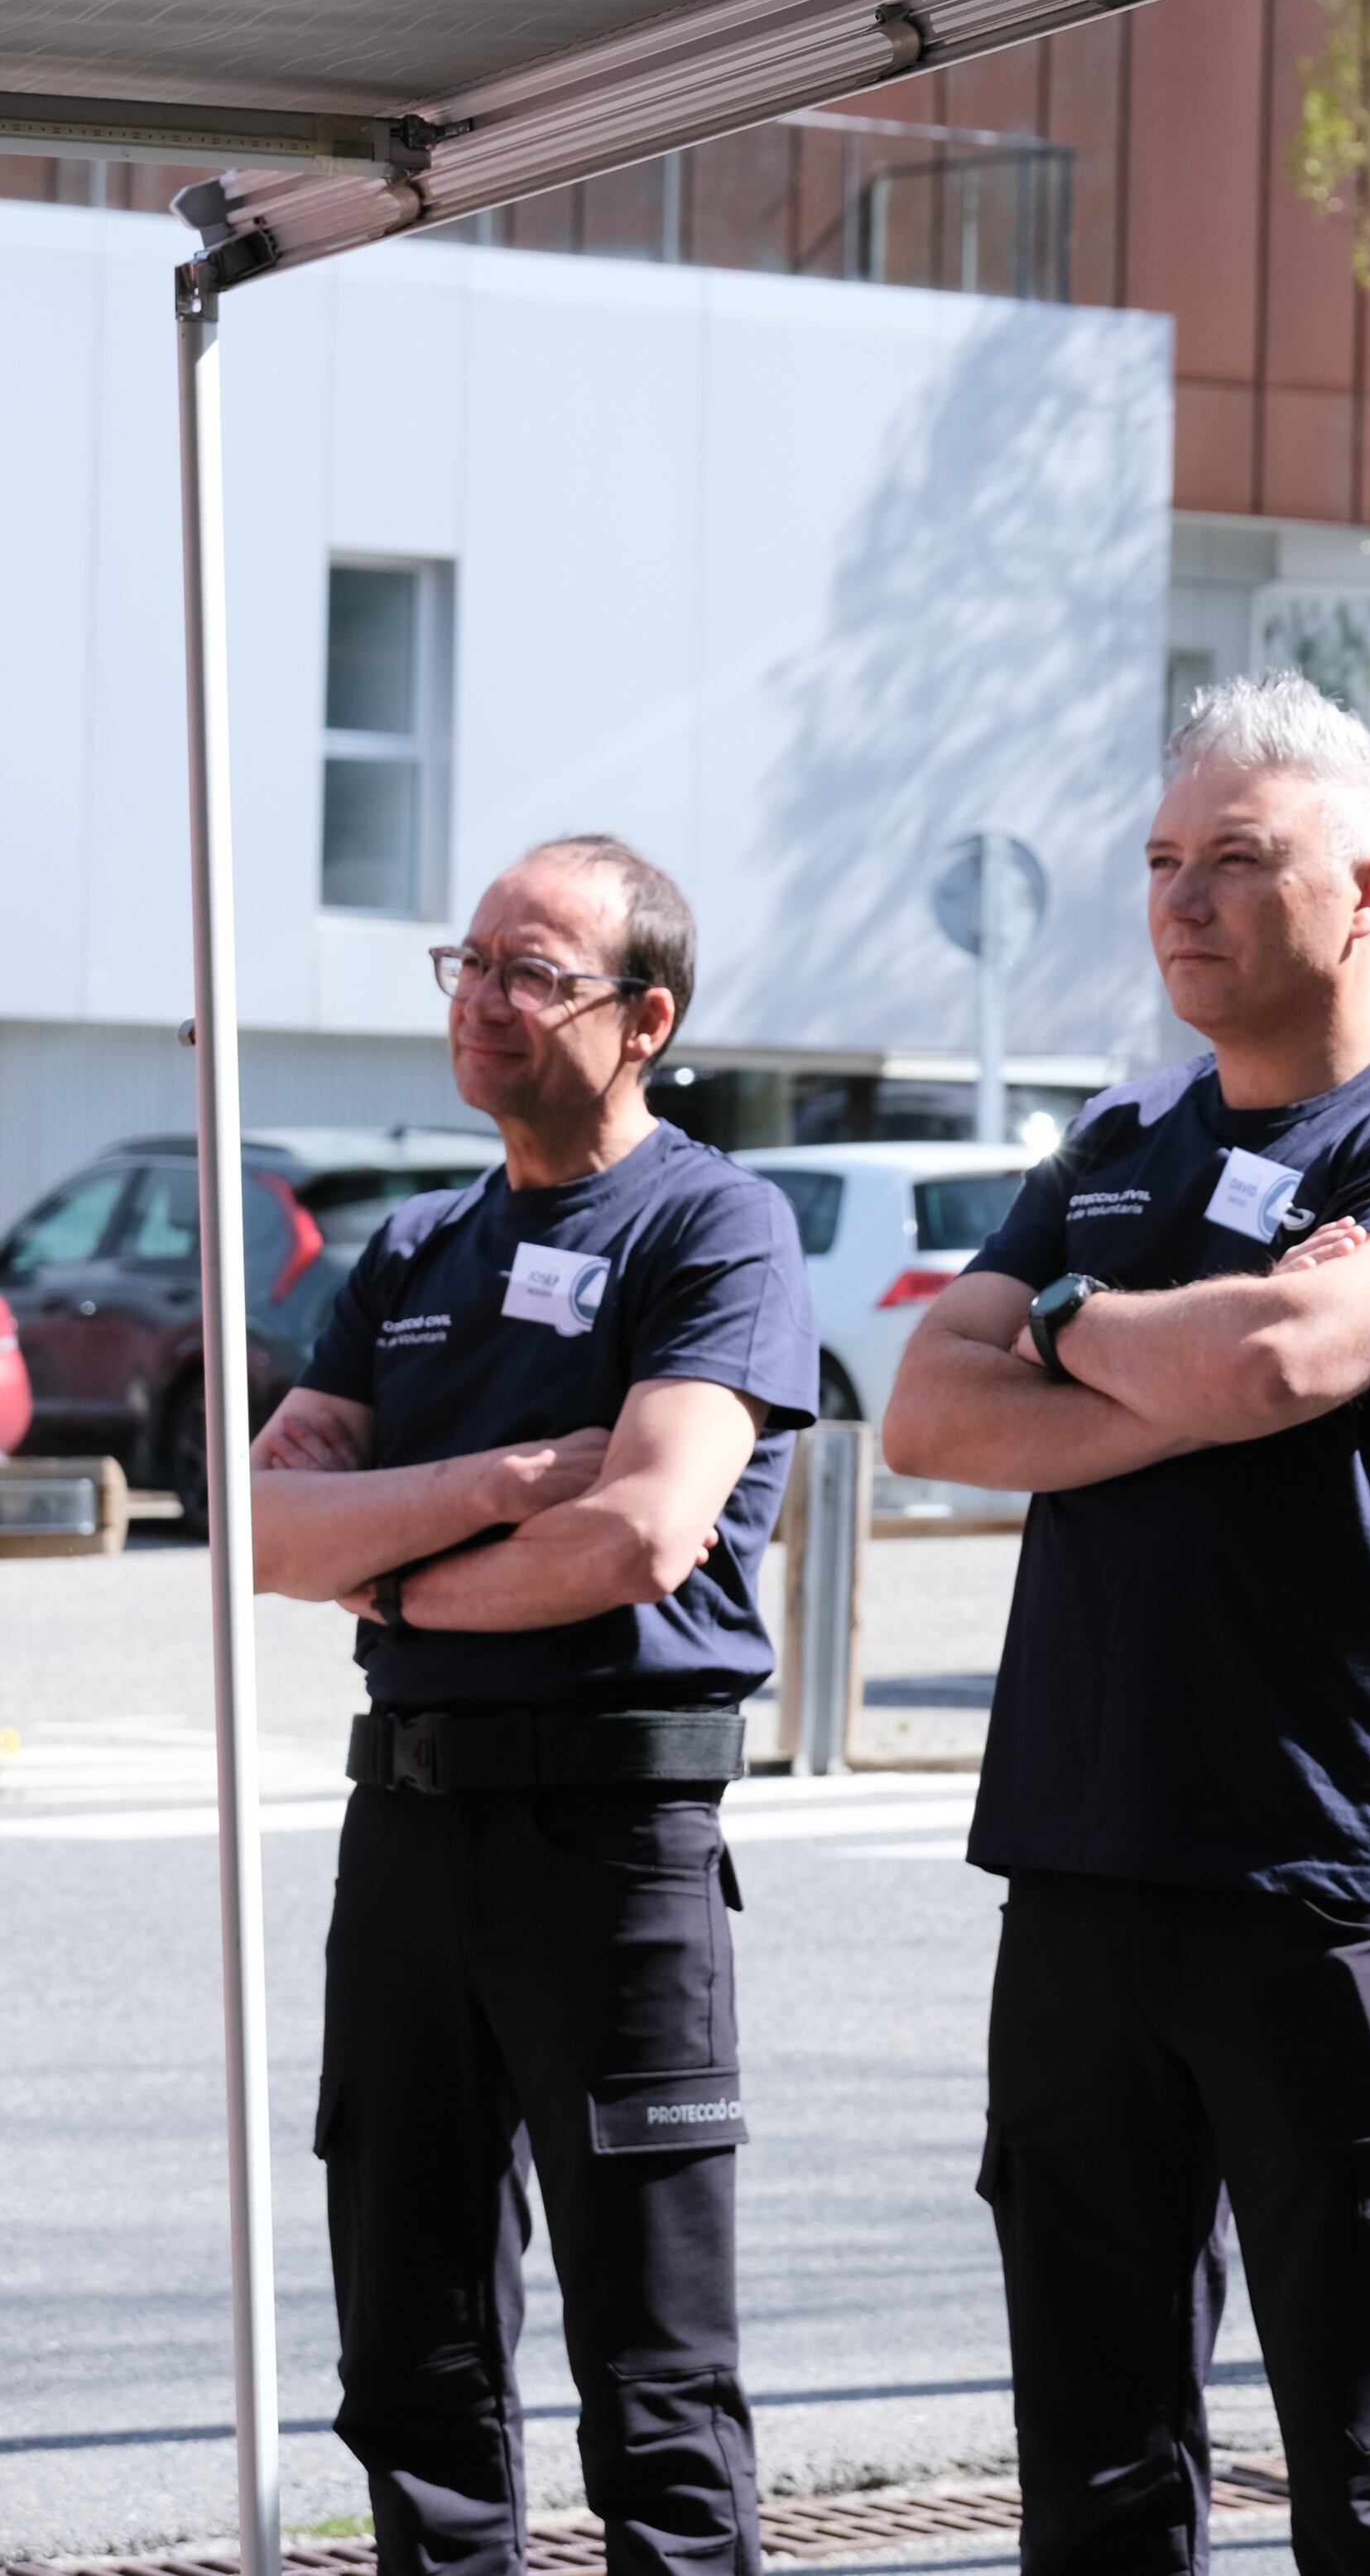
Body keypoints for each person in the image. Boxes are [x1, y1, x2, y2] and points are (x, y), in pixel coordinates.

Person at [881, 677, 1370, 2576]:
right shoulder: (1116, 1139)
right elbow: (928, 1406)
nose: (1184, 901)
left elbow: (1290, 1354)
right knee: (1093, 2468)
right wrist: (1162, 1323)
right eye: (1164, 862)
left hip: (1327, 1877)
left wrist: (1080, 1330)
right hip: (1082, 1861)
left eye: (1240, 861)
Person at [248, 836, 818, 2576]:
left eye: (532, 970)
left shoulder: (714, 1222)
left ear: (644, 1017)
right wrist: (508, 1473)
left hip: (612, 1839)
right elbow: (264, 1524)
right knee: (410, 2357)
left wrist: (395, 1564)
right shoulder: (415, 1246)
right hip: (408, 1831)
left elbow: (645, 1528)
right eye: (469, 963)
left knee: (652, 2375)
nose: (483, 1001)